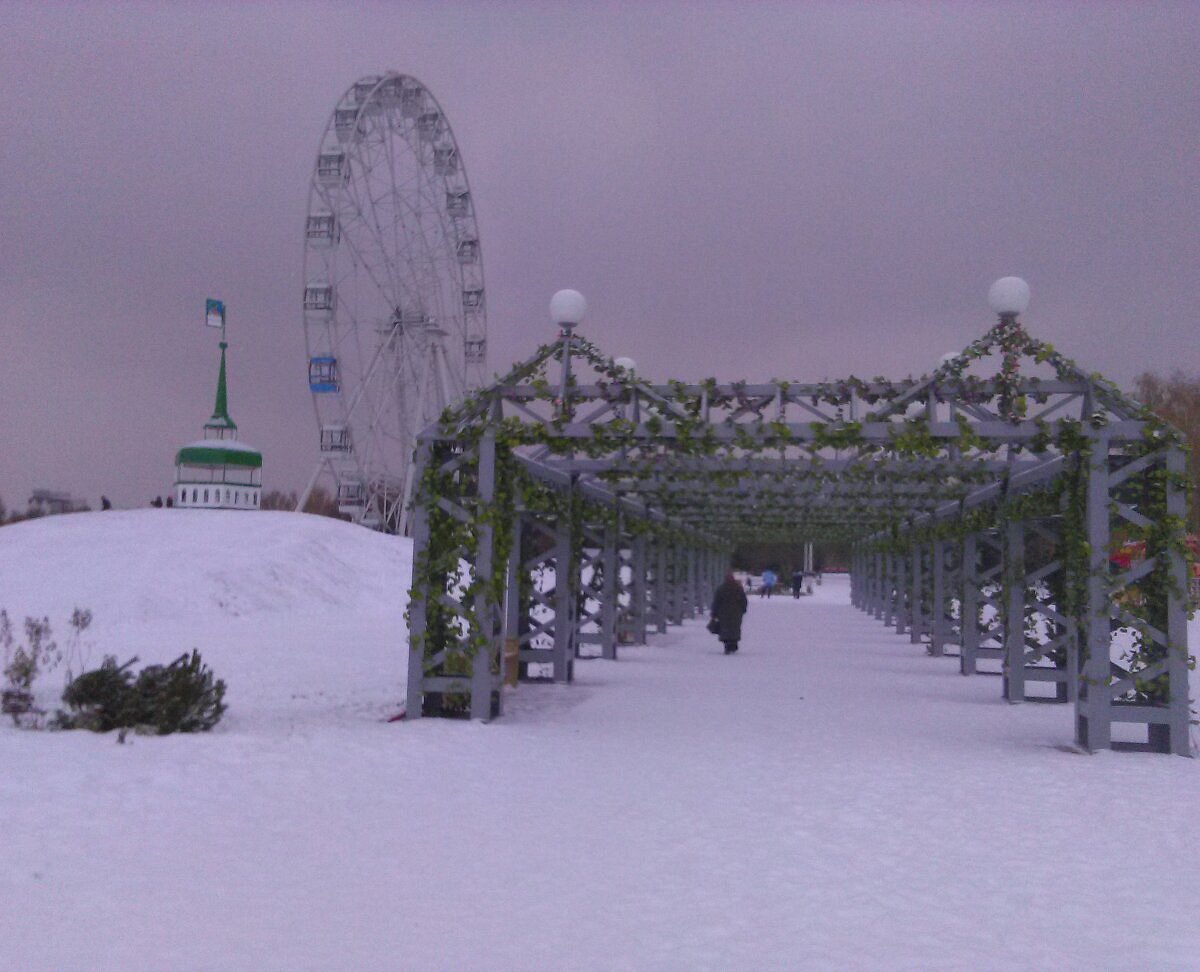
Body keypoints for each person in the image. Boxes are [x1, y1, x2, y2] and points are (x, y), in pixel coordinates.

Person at [711, 572, 748, 654]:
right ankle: (734, 644)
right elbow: (744, 600)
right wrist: (743, 609)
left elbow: (716, 602)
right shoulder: (738, 588)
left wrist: (714, 613)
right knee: (735, 629)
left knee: (725, 629)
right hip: (736, 613)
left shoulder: (721, 589)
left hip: (723, 613)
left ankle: (727, 646)